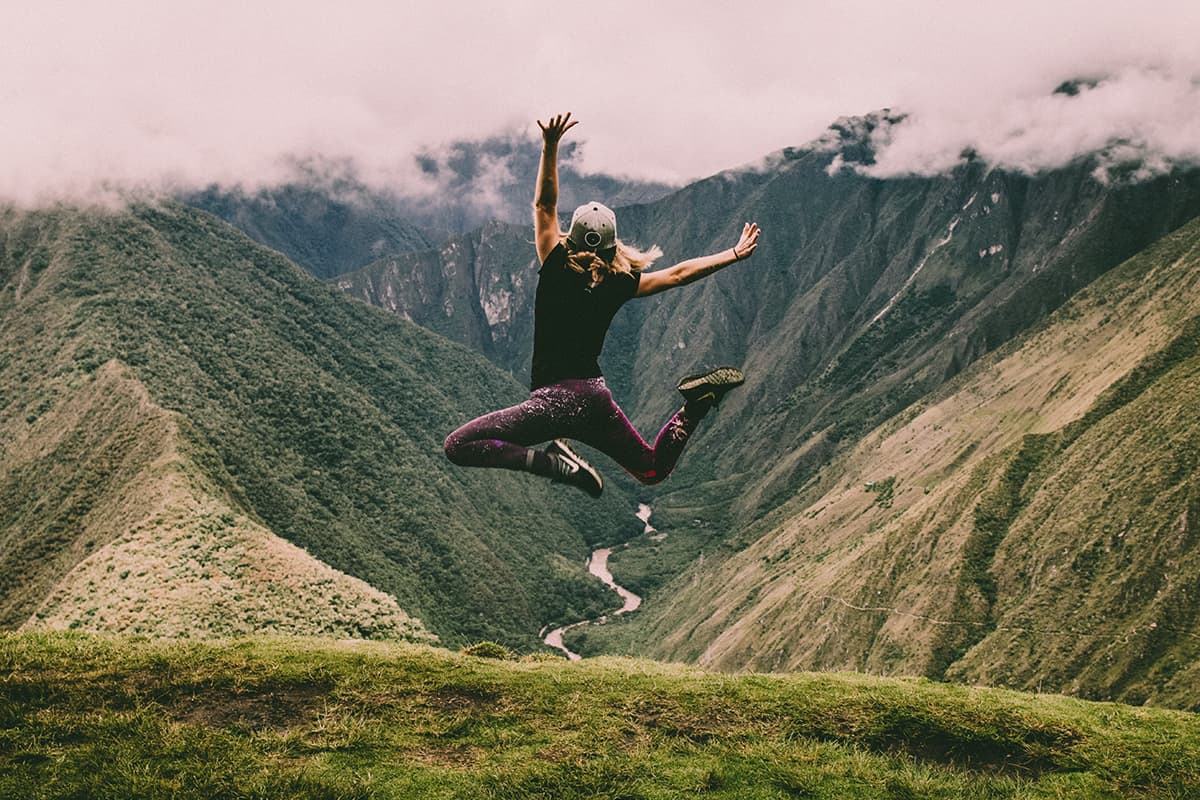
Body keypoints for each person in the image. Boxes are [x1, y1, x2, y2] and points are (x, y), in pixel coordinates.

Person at [444, 112, 761, 497]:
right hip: (595, 399)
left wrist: (550, 146)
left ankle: (555, 465)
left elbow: (545, 205)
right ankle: (695, 406)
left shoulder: (556, 265)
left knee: (458, 445)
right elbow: (678, 274)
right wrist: (732, 254)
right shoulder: (620, 282)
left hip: (552, 403)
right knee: (651, 469)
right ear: (613, 245)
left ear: (571, 238)